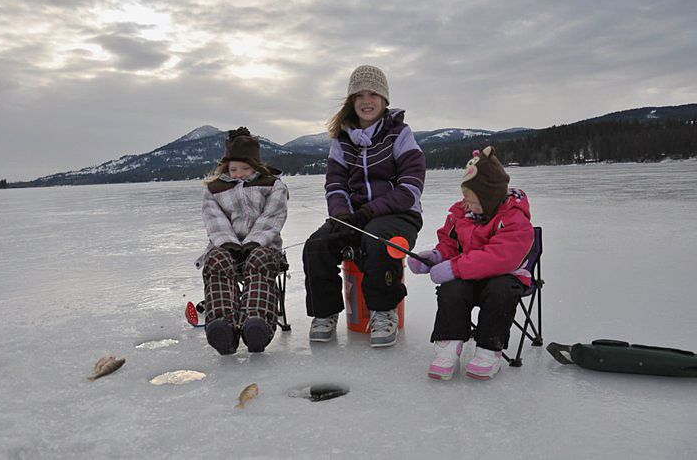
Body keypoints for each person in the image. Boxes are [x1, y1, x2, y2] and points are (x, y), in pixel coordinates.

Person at [303, 65, 426, 348]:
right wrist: (342, 216)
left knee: (378, 241)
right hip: (354, 216)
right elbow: (335, 185)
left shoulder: (400, 134)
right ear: (351, 101)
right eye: (359, 95)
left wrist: (369, 212)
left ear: (384, 101)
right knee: (317, 246)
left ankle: (384, 312)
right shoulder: (342, 140)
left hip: (399, 214)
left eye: (373, 95)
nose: (366, 101)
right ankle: (324, 313)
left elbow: (409, 188)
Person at [408, 146, 534, 380]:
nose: (466, 205)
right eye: (465, 198)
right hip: (469, 277)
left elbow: (500, 257)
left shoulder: (513, 218)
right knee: (452, 289)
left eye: (472, 201)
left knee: (500, 290)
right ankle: (448, 348)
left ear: (490, 198)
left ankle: (488, 350)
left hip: (506, 276)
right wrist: (435, 258)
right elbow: (450, 243)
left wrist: (455, 267)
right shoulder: (461, 214)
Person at [195, 127, 289, 355]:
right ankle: (222, 326)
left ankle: (257, 325)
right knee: (216, 261)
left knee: (259, 260)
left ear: (256, 166)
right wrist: (228, 243)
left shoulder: (272, 185)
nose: (239, 174)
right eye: (233, 169)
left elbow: (272, 217)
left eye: (245, 169)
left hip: (264, 247)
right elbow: (214, 219)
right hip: (225, 248)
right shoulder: (214, 189)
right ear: (226, 167)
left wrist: (254, 243)